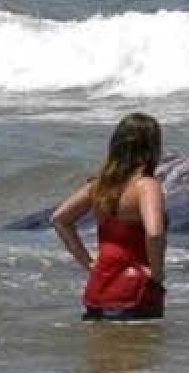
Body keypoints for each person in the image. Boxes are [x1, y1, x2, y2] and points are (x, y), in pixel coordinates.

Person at [51, 113, 167, 320]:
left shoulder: (99, 186)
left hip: (98, 288)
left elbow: (60, 219)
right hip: (135, 290)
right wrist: (157, 274)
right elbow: (155, 233)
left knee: (102, 351)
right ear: (152, 147)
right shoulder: (146, 186)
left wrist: (88, 263)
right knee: (138, 351)